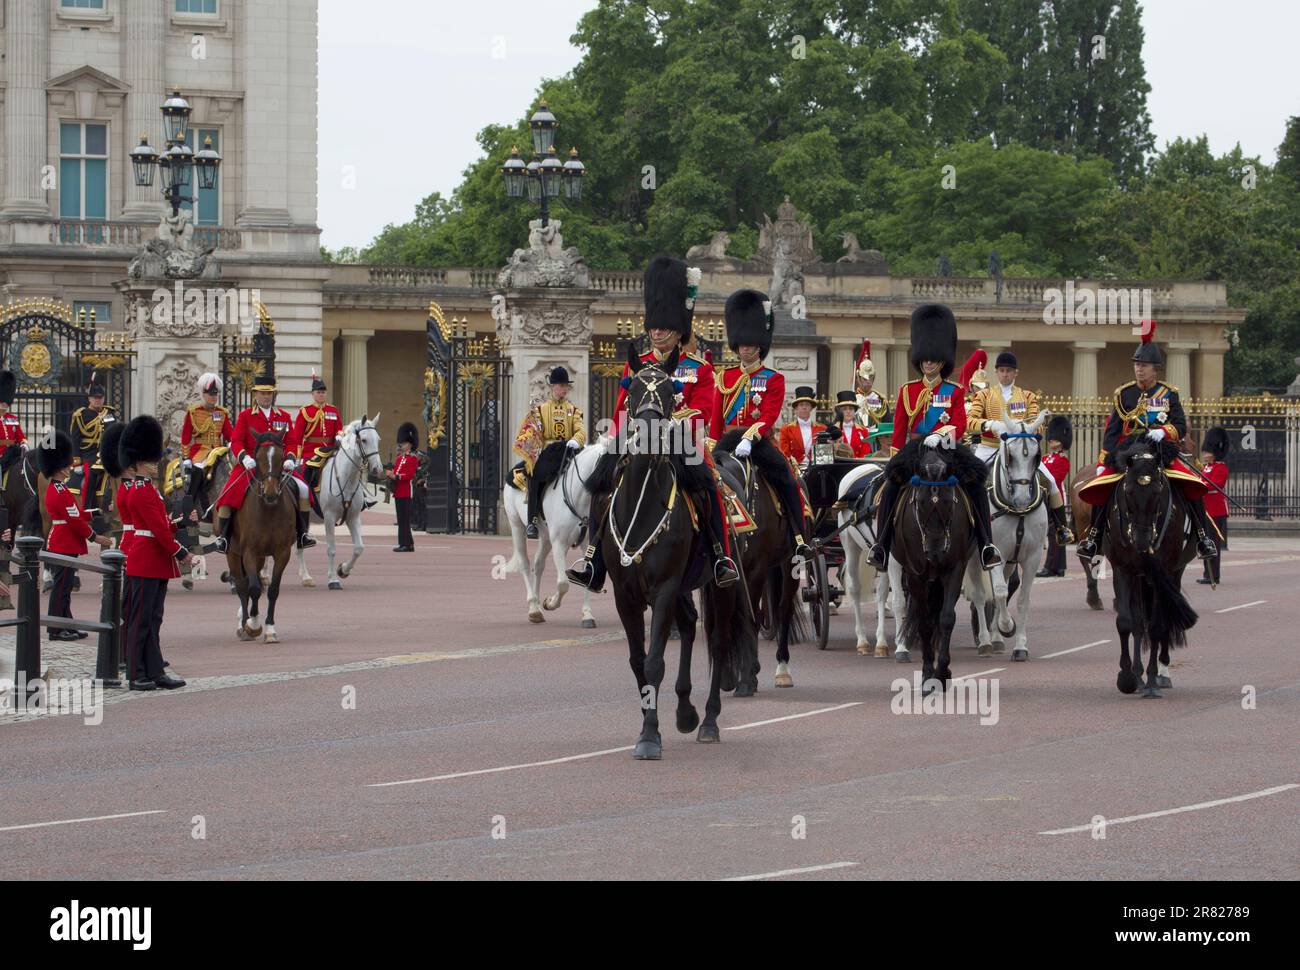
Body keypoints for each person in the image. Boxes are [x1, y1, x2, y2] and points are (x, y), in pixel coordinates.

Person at [567, 255, 738, 592]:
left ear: (678, 330)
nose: (657, 332)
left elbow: (701, 412)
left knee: (709, 486)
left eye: (664, 327)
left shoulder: (698, 369)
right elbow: (621, 407)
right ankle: (593, 561)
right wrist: (613, 438)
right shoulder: (638, 364)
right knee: (600, 484)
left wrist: (670, 427)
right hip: (636, 440)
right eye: (654, 326)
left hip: (681, 443)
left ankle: (720, 557)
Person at [869, 304, 1002, 570]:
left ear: (942, 361)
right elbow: (899, 430)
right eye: (925, 359)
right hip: (915, 449)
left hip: (948, 447)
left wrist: (941, 434)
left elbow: (961, 424)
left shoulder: (953, 391)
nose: (928, 363)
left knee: (976, 482)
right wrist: (896, 458)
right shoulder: (908, 390)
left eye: (933, 359)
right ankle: (882, 545)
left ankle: (986, 544)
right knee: (891, 486)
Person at [1076, 322, 1218, 562]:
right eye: (1137, 365)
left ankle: (1202, 536)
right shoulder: (1124, 394)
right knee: (1102, 487)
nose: (1139, 370)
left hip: (1161, 451)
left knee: (1191, 485)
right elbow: (1112, 430)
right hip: (1129, 452)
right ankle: (1095, 537)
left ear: (1155, 369)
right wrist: (1104, 460)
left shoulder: (1168, 393)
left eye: (1143, 366)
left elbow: (1180, 425)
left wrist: (1165, 432)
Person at [709, 288, 812, 559]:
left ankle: (798, 536)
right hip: (727, 444)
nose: (745, 348)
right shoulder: (725, 377)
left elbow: (769, 415)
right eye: (742, 344)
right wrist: (711, 447)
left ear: (759, 346)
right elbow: (716, 420)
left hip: (758, 442)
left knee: (787, 479)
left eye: (751, 344)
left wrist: (750, 437)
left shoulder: (772, 378)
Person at [965, 350, 1073, 545]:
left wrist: (1022, 428)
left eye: (1009, 371)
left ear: (1016, 373)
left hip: (1019, 450)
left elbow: (1038, 424)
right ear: (997, 372)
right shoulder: (984, 395)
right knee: (969, 481)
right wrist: (989, 425)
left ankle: (1061, 527)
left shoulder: (1027, 396)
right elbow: (969, 421)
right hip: (990, 446)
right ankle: (967, 525)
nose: (1005, 374)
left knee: (1051, 482)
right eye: (1002, 370)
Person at [211, 355, 316, 552]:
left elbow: (292, 441)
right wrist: (244, 457)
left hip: (277, 465)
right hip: (250, 464)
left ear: (273, 395)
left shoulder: (283, 416)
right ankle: (224, 538)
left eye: (269, 394)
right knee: (228, 493)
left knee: (303, 489)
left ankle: (302, 534)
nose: (265, 397)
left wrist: (291, 458)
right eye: (262, 393)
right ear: (255, 394)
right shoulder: (245, 415)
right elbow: (236, 440)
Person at [120, 415, 190, 691]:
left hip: (154, 559)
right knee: (142, 619)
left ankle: (154, 669)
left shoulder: (150, 489)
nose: (155, 465)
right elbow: (159, 533)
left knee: (153, 618)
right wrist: (182, 552)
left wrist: (180, 522)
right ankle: (137, 673)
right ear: (138, 462)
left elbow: (161, 525)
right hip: (147, 559)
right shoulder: (141, 491)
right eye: (150, 461)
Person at [40, 429, 112, 641]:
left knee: (65, 589)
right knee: (60, 589)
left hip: (65, 540)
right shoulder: (60, 491)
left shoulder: (60, 489)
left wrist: (95, 512)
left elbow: (76, 514)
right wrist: (94, 537)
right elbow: (73, 521)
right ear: (59, 469)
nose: (68, 468)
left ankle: (67, 624)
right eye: (65, 466)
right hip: (64, 542)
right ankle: (55, 629)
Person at [511, 367, 586, 540]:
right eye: (561, 385)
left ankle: (584, 520)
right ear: (552, 386)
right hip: (548, 453)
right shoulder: (541, 410)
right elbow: (533, 432)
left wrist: (576, 439)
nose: (564, 389)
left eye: (565, 385)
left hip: (568, 450)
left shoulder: (573, 411)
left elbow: (581, 430)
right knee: (535, 475)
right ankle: (532, 520)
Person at [68, 373, 118, 523]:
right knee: (91, 475)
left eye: (100, 398)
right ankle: (88, 508)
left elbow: (114, 434)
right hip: (88, 454)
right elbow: (75, 439)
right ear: (89, 399)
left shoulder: (109, 413)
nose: (98, 400)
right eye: (95, 398)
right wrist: (76, 461)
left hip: (107, 453)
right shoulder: (80, 415)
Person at [293, 371, 345, 500]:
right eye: (318, 392)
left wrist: (340, 435)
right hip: (312, 451)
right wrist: (297, 456)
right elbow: (297, 436)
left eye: (323, 392)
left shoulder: (333, 410)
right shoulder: (306, 411)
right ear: (313, 394)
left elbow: (339, 428)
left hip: (331, 449)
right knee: (306, 473)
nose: (321, 395)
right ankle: (305, 498)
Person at [1037, 415, 1073, 578]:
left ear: (1062, 440)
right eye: (1051, 438)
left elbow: (1055, 479)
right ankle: (1057, 567)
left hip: (1055, 496)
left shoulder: (1063, 460)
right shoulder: (1045, 458)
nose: (1051, 440)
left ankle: (1053, 567)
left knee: (1057, 533)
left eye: (1055, 438)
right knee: (1050, 534)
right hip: (1043, 497)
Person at [1198, 427, 1230, 585]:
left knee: (1213, 543)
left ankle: (1214, 575)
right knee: (1205, 543)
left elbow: (1214, 485)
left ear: (1215, 452)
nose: (1204, 454)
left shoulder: (1221, 468)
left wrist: (1200, 483)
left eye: (1207, 452)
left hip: (1215, 511)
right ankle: (1207, 573)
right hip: (1205, 510)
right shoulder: (1206, 468)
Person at [390, 422, 420, 552]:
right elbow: (396, 472)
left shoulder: (413, 459)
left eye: (404, 443)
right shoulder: (399, 458)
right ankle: (408, 543)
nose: (401, 445)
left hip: (406, 492)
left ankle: (405, 544)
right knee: (401, 519)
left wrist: (396, 476)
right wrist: (391, 475)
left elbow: (409, 475)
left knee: (404, 520)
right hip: (398, 492)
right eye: (401, 443)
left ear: (410, 444)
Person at [777, 386, 824, 467]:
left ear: (811, 408)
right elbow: (784, 454)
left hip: (816, 469)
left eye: (807, 405)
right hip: (794, 470)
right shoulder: (786, 429)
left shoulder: (822, 429)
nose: (804, 407)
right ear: (796, 408)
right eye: (801, 405)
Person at [853, 340, 889, 437]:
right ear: (858, 378)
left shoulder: (880, 399)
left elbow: (886, 423)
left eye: (870, 378)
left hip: (875, 439)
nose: (868, 382)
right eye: (864, 379)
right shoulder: (851, 399)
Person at [832, 391, 871, 457]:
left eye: (851, 409)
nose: (848, 411)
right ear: (839, 412)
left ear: (854, 411)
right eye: (844, 409)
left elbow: (865, 455)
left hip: (858, 465)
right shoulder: (833, 430)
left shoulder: (863, 431)